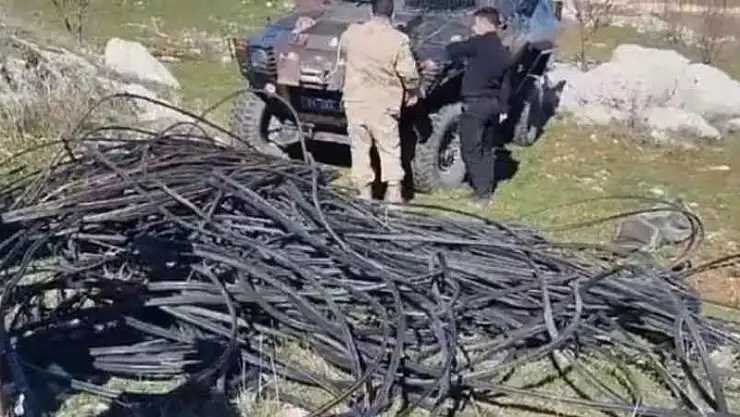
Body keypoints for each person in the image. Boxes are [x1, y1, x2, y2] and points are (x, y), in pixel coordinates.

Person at [339, 0, 421, 203]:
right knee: (389, 149)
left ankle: (363, 193)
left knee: (359, 149)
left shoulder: (352, 33)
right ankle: (393, 194)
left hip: (355, 100)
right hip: (383, 102)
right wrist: (413, 91)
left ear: (371, 10)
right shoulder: (398, 40)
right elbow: (409, 73)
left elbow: (344, 55)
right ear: (392, 14)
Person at [429, 6, 511, 203]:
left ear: (484, 23)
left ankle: (481, 193)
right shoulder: (503, 50)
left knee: (470, 149)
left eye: (475, 24)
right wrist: (503, 109)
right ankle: (486, 188)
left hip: (475, 106)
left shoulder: (479, 43)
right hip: (493, 105)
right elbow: (507, 84)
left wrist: (454, 41)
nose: (473, 28)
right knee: (487, 148)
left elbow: (453, 50)